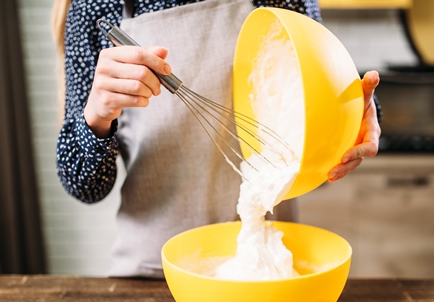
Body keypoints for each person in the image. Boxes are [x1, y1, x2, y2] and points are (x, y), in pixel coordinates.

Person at [52, 0, 382, 279]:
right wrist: (96, 117)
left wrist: (356, 113)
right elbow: (85, 185)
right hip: (152, 277)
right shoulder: (98, 4)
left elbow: (323, 81)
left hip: (268, 268)